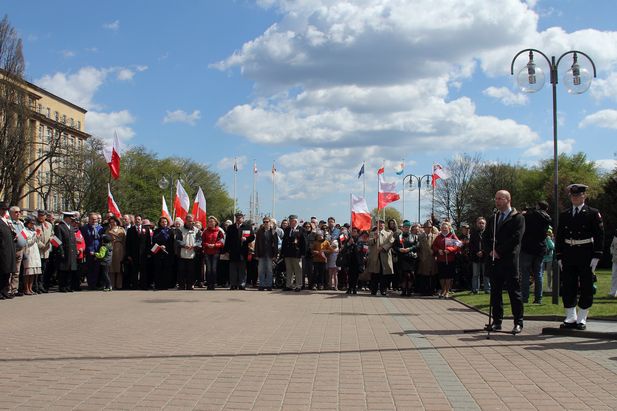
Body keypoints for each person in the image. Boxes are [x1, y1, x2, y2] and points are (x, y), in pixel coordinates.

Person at [556, 184, 604, 330]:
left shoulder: (592, 213)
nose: (575, 198)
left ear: (584, 196)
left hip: (586, 253)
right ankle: (571, 316)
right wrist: (559, 256)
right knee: (568, 285)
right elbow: (559, 237)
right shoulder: (565, 214)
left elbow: (599, 235)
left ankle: (582, 317)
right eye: (573, 196)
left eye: (578, 195)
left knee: (586, 285)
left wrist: (597, 255)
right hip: (569, 253)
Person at [482, 190, 525, 334]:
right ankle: (497, 322)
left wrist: (499, 251)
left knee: (514, 292)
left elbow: (516, 238)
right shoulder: (493, 217)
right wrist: (490, 250)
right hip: (495, 261)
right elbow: (486, 237)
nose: (497, 201)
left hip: (509, 260)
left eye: (500, 198)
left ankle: (518, 322)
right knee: (495, 292)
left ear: (508, 199)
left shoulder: (517, 218)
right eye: (496, 198)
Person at [520, 201, 552, 304]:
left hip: (527, 247)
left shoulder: (529, 216)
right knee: (538, 274)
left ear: (538, 206)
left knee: (525, 273)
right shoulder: (547, 218)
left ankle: (524, 297)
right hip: (540, 248)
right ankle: (538, 298)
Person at [223, 212, 254, 290]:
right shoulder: (231, 227)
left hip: (243, 252)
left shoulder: (247, 227)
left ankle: (241, 284)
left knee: (242, 269)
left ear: (243, 218)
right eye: (237, 217)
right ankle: (233, 284)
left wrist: (246, 239)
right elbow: (227, 240)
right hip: (233, 251)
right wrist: (226, 250)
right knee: (233, 269)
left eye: (240, 217)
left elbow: (252, 237)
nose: (238, 219)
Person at [432, 221, 461, 299]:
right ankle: (443, 290)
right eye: (442, 228)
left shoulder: (453, 236)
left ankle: (447, 291)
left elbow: (458, 245)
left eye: (445, 228)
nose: (444, 229)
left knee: (448, 276)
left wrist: (450, 249)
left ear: (449, 228)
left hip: (450, 259)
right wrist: (438, 250)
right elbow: (434, 246)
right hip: (440, 259)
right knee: (442, 276)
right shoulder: (438, 237)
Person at [366, 220, 394, 296]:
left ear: (384, 225)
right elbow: (368, 242)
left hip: (384, 256)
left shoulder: (389, 233)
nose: (380, 224)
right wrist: (375, 238)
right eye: (379, 223)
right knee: (375, 275)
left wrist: (383, 248)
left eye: (382, 223)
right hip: (375, 257)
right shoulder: (372, 233)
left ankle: (383, 290)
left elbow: (391, 242)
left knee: (384, 275)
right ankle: (373, 290)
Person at [55, 212, 78, 293]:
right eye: (71, 219)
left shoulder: (71, 227)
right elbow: (57, 240)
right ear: (66, 218)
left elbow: (73, 241)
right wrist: (60, 251)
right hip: (64, 251)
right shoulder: (59, 227)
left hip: (71, 251)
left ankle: (68, 286)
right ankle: (62, 286)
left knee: (70, 269)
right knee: (63, 269)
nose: (72, 221)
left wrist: (75, 251)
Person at [176, 215, 201, 290]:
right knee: (181, 270)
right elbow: (177, 240)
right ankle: (181, 285)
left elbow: (199, 240)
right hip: (182, 253)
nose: (191, 222)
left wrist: (194, 245)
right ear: (185, 221)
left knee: (191, 271)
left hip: (192, 254)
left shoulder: (196, 230)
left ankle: (190, 285)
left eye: (192, 221)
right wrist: (184, 245)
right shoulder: (180, 229)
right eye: (189, 221)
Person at [281, 214, 305, 291]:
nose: (291, 222)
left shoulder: (301, 229)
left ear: (295, 221)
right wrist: (283, 253)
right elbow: (284, 242)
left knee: (298, 270)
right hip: (288, 253)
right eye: (290, 221)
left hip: (297, 254)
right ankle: (289, 285)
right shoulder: (287, 230)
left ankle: (298, 285)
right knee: (289, 270)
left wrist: (302, 253)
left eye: (292, 221)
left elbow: (304, 243)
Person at [395, 221, 419, 297]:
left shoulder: (414, 236)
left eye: (408, 227)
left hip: (411, 258)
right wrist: (399, 249)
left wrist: (410, 248)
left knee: (410, 275)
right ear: (403, 228)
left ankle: (409, 289)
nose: (406, 228)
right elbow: (394, 246)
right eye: (405, 227)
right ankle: (403, 289)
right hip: (402, 258)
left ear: (409, 228)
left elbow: (417, 245)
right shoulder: (399, 236)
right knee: (403, 275)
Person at [80, 212, 104, 290]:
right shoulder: (84, 228)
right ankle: (90, 284)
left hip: (98, 251)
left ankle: (96, 284)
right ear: (89, 219)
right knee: (89, 268)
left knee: (97, 268)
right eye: (92, 219)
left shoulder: (100, 228)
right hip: (88, 251)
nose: (94, 221)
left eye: (95, 219)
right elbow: (82, 240)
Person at [254, 216, 279, 291]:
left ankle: (269, 285)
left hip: (270, 254)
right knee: (261, 270)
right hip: (261, 254)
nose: (265, 223)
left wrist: (275, 255)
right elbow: (256, 244)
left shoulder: (273, 232)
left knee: (269, 270)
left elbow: (276, 244)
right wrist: (256, 254)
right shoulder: (259, 231)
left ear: (270, 222)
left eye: (267, 221)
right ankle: (261, 285)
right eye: (264, 222)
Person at [151, 216, 175, 290]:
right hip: (158, 252)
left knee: (166, 269)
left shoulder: (170, 231)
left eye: (165, 222)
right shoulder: (156, 231)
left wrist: (166, 246)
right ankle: (158, 285)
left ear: (167, 222)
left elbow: (172, 242)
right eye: (162, 222)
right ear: (160, 223)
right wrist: (160, 246)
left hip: (167, 252)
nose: (164, 223)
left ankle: (166, 285)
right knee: (158, 268)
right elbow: (153, 241)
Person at [202, 216, 224, 290]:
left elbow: (222, 242)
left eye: (212, 221)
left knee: (214, 269)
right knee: (208, 269)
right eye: (209, 222)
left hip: (215, 252)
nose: (211, 223)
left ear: (215, 222)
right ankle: (208, 284)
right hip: (207, 252)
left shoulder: (219, 231)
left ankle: (213, 284)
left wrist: (215, 245)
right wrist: (207, 245)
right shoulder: (205, 231)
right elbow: (202, 242)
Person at [22, 215, 42, 295]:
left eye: (33, 223)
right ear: (27, 223)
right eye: (31, 223)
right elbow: (26, 242)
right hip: (28, 252)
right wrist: (35, 237)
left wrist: (38, 237)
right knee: (28, 272)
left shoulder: (33, 231)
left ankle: (30, 288)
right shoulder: (23, 231)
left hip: (35, 252)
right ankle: (26, 288)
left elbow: (37, 242)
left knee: (33, 273)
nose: (32, 225)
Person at [0, 202, 16, 300]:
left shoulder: (6, 220)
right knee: (2, 271)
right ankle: (1, 291)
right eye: (3, 209)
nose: (4, 211)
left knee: (7, 272)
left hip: (8, 249)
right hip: (2, 250)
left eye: (5, 209)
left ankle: (5, 291)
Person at [8, 206, 26, 297]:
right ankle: (8, 289)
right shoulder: (9, 223)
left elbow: (24, 234)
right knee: (10, 270)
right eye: (16, 212)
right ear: (11, 213)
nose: (18, 213)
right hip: (12, 249)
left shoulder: (21, 223)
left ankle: (15, 289)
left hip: (21, 249)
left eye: (19, 212)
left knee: (17, 271)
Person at [416, 221, 437, 296]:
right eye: (426, 227)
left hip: (432, 258)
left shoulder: (435, 236)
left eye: (429, 227)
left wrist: (435, 253)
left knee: (433, 275)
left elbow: (437, 247)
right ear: (424, 228)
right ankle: (424, 291)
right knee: (424, 276)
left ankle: (432, 290)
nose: (428, 229)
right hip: (423, 258)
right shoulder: (420, 236)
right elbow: (417, 248)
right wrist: (420, 256)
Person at [469, 217, 489, 294]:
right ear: (477, 224)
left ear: (485, 224)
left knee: (486, 274)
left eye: (482, 223)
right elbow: (471, 245)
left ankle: (487, 289)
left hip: (485, 257)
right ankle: (475, 289)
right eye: (479, 223)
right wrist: (477, 252)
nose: (481, 224)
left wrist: (483, 252)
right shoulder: (473, 234)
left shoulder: (488, 233)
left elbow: (489, 245)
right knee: (475, 274)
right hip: (475, 257)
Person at [106, 216, 126, 290]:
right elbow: (105, 240)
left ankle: (119, 285)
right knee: (111, 268)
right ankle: (111, 285)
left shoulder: (121, 229)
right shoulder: (108, 229)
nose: (112, 223)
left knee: (119, 268)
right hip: (110, 248)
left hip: (119, 249)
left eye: (114, 222)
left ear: (117, 222)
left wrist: (124, 251)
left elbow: (124, 241)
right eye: (111, 222)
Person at [543, 228, 555, 293]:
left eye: (549, 232)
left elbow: (553, 247)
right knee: (540, 273)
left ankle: (549, 287)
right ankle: (540, 287)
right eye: (547, 232)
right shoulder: (542, 237)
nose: (547, 233)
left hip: (549, 258)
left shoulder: (550, 239)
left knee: (548, 273)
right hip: (542, 257)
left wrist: (549, 239)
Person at [609, 229, 617, 298]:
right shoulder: (615, 236)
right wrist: (612, 252)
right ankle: (613, 292)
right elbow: (611, 246)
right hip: (615, 260)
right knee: (614, 276)